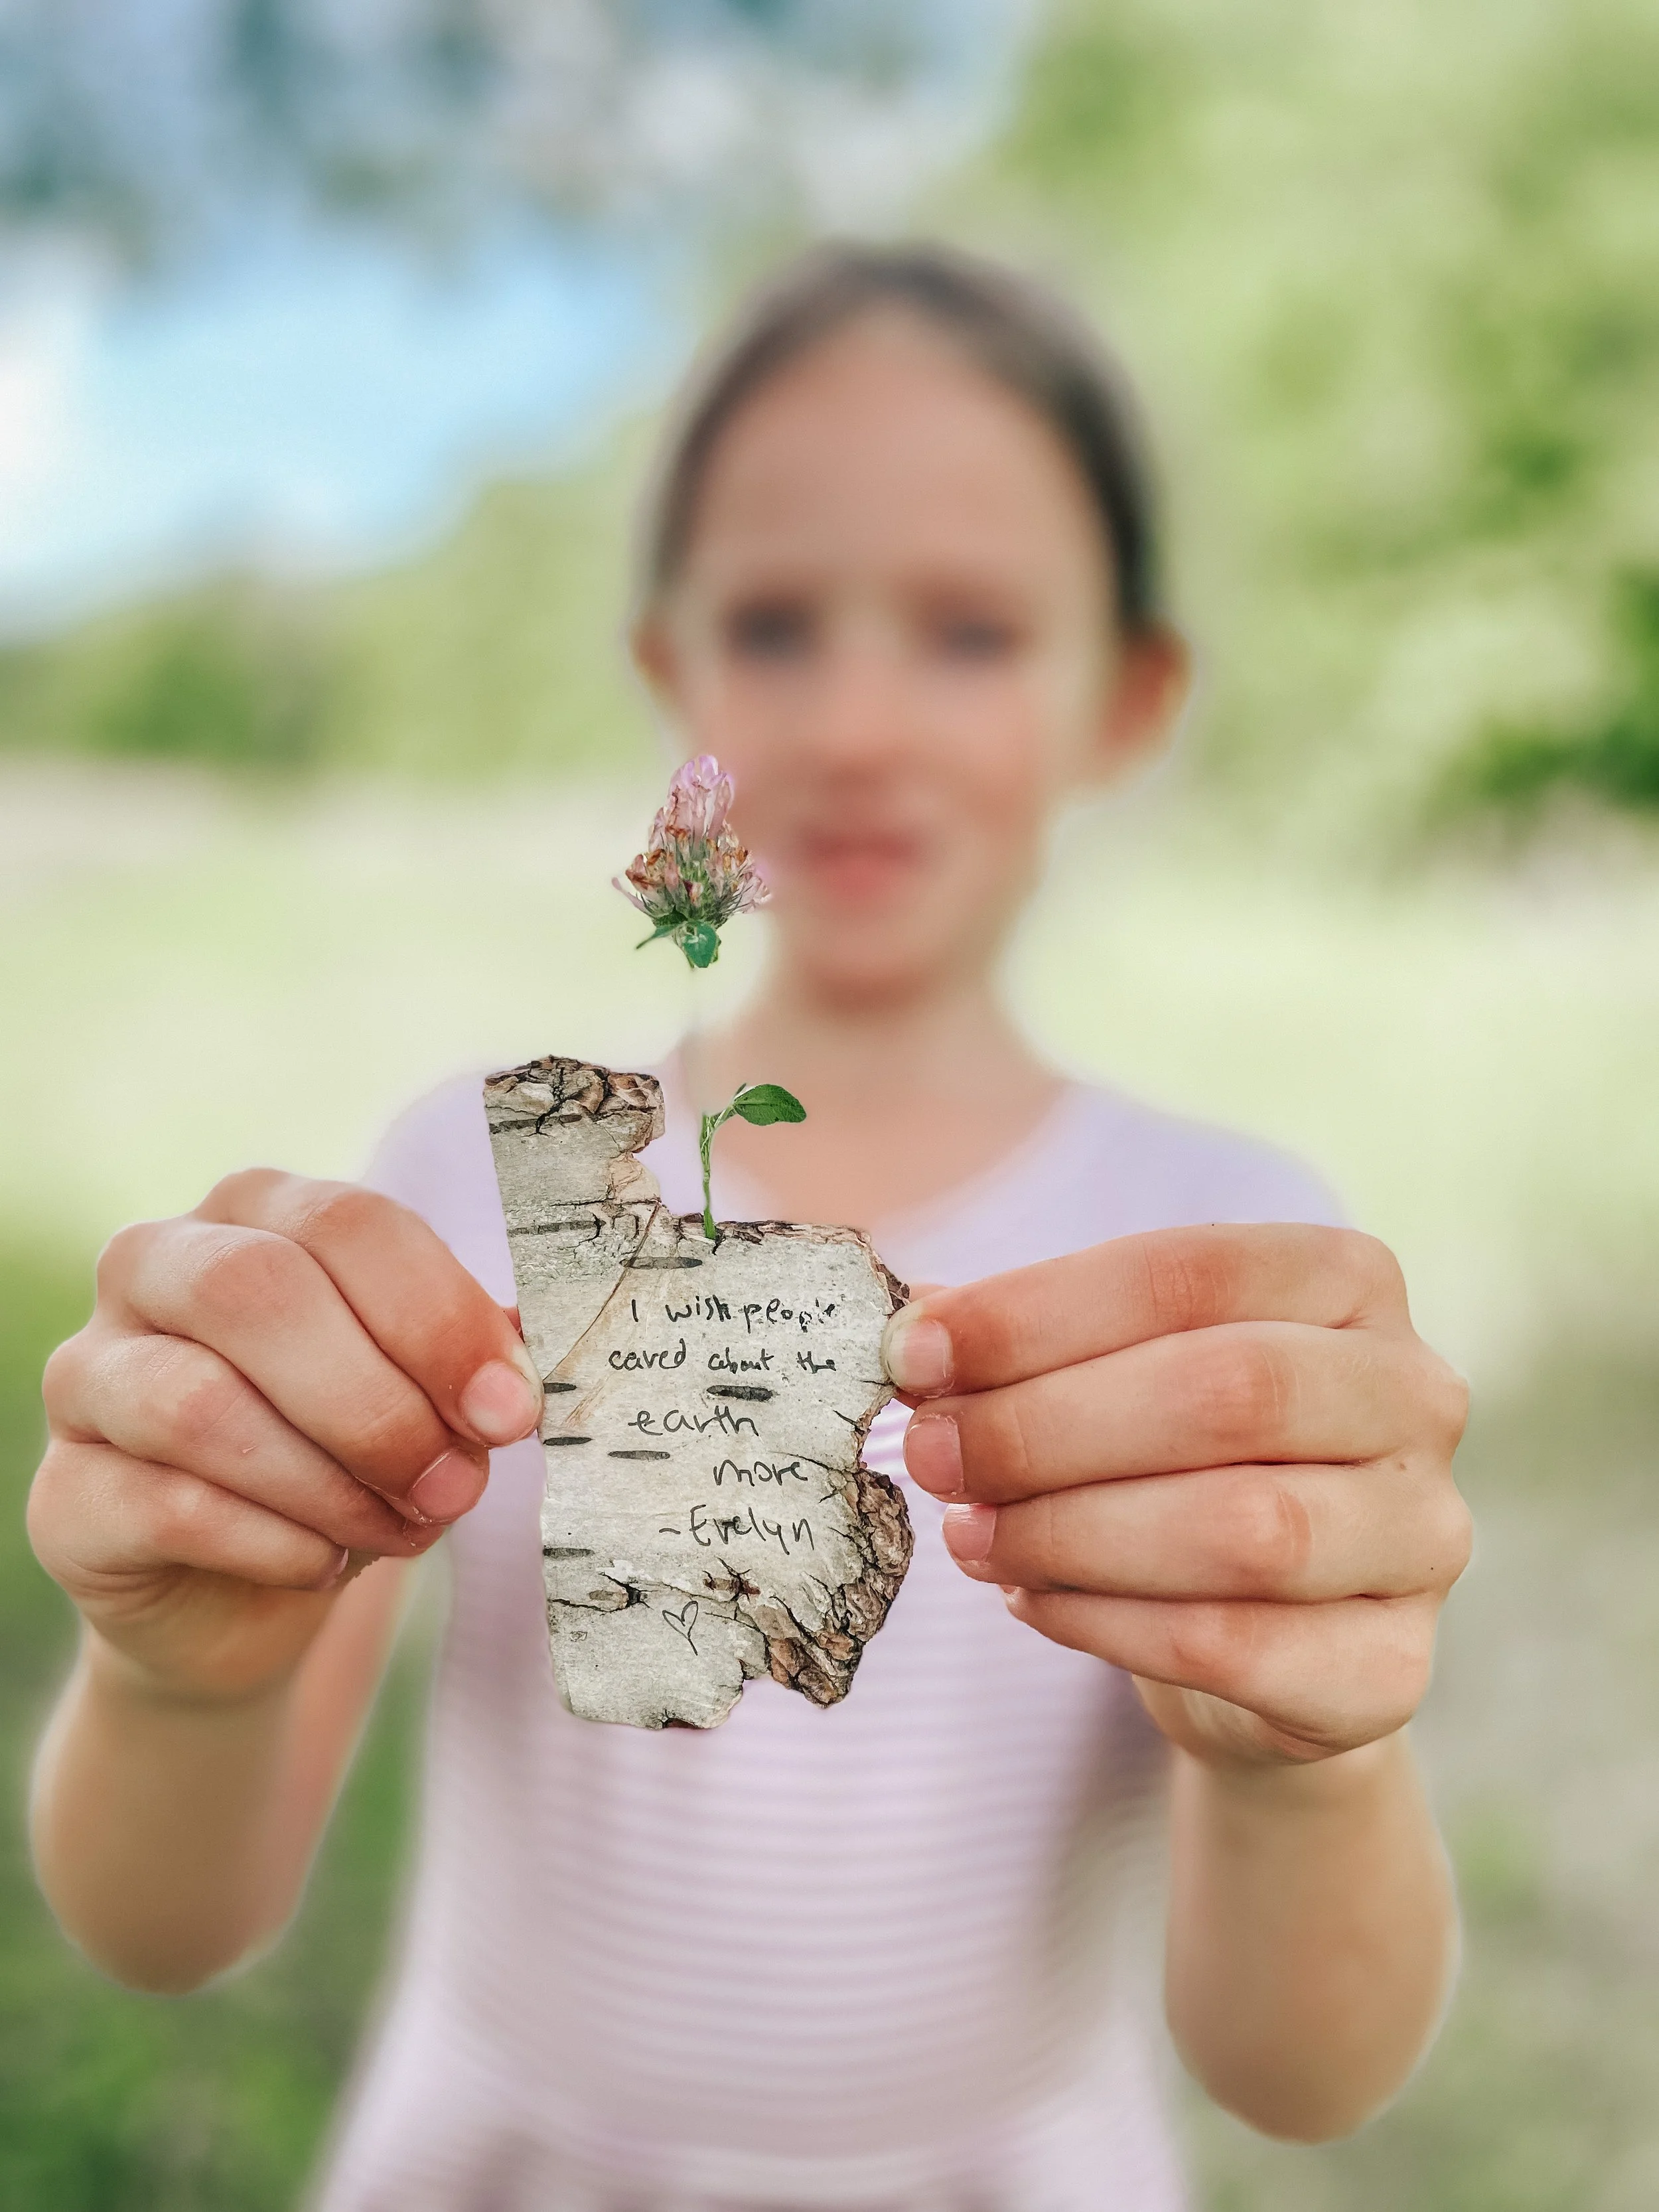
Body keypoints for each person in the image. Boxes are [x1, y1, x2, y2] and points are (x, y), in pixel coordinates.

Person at [27, 244, 1471, 2210]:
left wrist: (1300, 1751)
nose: (860, 721)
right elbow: (163, 1920)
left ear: (1122, 698)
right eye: (778, 624)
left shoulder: (1215, 1267)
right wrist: (182, 1669)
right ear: (670, 675)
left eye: (968, 629)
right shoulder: (483, 1176)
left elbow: (1305, 2071)